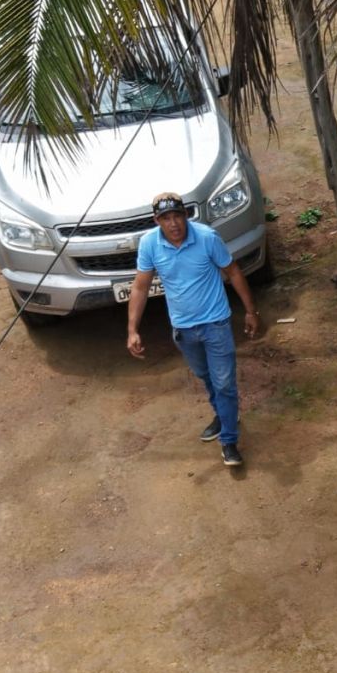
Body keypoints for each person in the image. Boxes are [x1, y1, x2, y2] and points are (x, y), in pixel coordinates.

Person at [127, 193, 258, 467]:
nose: (173, 223)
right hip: (184, 330)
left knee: (224, 383)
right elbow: (140, 287)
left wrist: (250, 311)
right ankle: (224, 416)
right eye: (166, 219)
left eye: (177, 216)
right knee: (206, 377)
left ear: (186, 215)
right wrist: (132, 329)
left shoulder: (207, 237)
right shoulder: (150, 244)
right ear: (157, 221)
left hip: (216, 324)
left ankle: (230, 442)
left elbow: (233, 271)